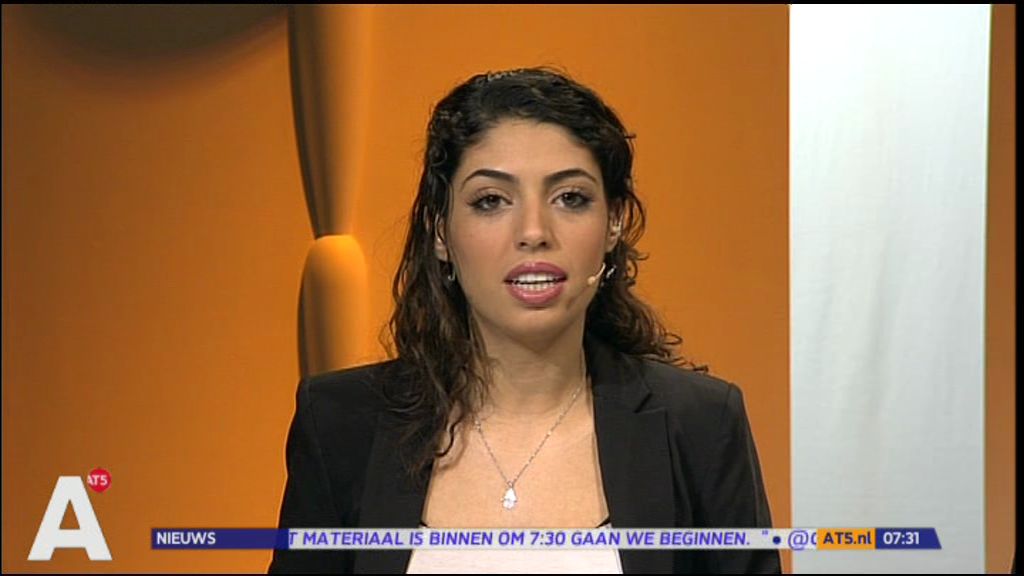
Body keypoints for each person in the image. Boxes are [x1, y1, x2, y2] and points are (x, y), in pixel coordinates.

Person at [269, 67, 780, 574]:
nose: (534, 231)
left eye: (570, 198)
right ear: (440, 231)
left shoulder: (701, 424)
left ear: (614, 223)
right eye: (491, 201)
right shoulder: (340, 423)